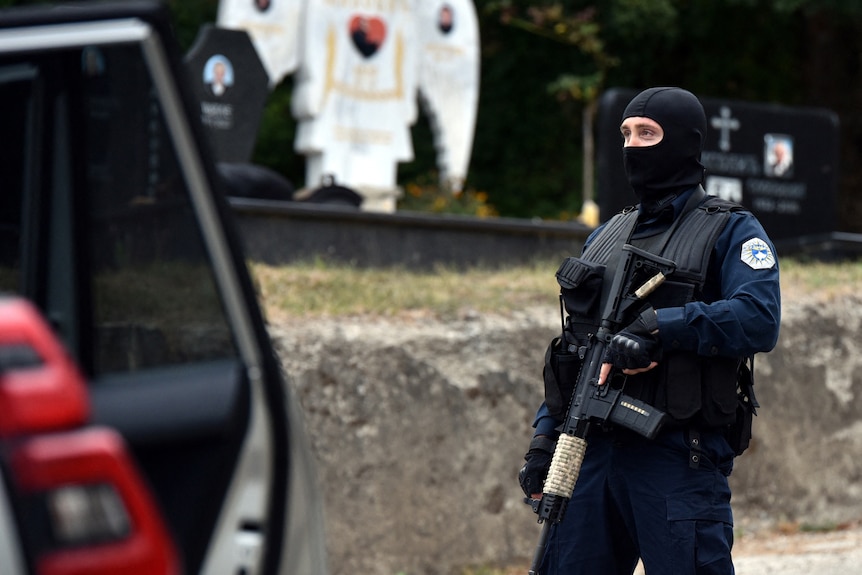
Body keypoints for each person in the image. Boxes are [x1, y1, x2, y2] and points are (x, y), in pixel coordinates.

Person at [519, 87, 781, 575]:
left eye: (648, 133)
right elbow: (579, 351)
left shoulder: (731, 231)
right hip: (590, 454)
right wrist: (543, 440)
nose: (633, 146)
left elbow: (758, 318)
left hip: (676, 458)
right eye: (626, 134)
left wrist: (662, 326)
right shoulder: (607, 235)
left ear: (684, 142)